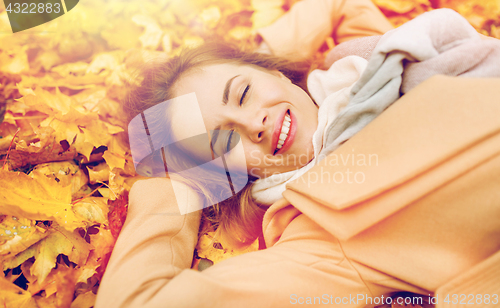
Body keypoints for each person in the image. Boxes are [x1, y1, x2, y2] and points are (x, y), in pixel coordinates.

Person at [95, 3, 500, 308]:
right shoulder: (319, 237)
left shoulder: (365, 71)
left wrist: (267, 49)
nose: (253, 124)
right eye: (224, 142)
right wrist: (174, 179)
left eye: (243, 93)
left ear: (275, 73)